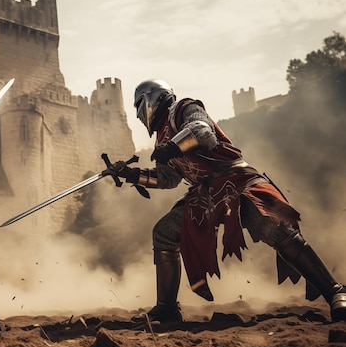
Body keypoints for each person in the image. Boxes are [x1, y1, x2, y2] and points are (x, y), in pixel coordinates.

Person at [103, 79, 346, 323]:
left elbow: (202, 132)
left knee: (274, 228)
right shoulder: (161, 139)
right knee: (164, 233)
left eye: (138, 106)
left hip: (235, 181)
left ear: (152, 99)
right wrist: (131, 174)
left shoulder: (184, 109)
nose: (137, 114)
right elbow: (167, 179)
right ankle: (166, 308)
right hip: (205, 195)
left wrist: (173, 147)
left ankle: (335, 292)